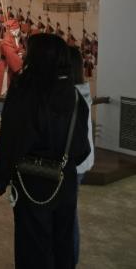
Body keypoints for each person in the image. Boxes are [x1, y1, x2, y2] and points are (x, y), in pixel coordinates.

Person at [0, 34, 91, 269]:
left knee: (33, 246)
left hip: (30, 180)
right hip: (64, 180)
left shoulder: (23, 91)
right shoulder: (74, 96)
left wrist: (1, 177)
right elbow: (82, 148)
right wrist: (63, 161)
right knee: (62, 243)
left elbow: (9, 139)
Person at [69, 46, 94, 265]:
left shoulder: (72, 95)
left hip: (74, 164)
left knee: (68, 217)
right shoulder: (83, 92)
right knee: (69, 213)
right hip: (81, 162)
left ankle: (69, 260)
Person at [0, 18, 25, 122]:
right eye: (16, 29)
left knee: (8, 91)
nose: (18, 31)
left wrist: (21, 52)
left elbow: (19, 48)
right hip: (5, 67)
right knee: (1, 91)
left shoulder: (14, 37)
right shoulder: (6, 40)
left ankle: (4, 112)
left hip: (10, 67)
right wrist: (20, 66)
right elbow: (10, 55)